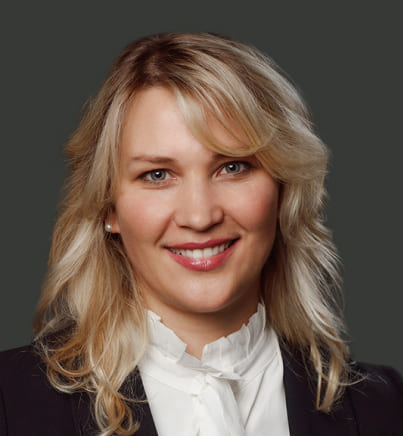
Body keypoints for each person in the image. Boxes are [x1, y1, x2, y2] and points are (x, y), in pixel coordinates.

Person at [0, 32, 402, 436]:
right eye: (157, 175)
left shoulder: (387, 408)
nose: (200, 216)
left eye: (233, 167)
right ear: (108, 207)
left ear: (283, 190)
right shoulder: (9, 402)